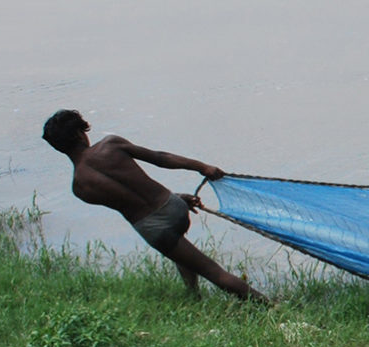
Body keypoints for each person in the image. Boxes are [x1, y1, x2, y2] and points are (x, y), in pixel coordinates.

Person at [40, 109, 262, 301]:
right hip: (173, 205)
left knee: (213, 273)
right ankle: (192, 295)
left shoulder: (80, 187)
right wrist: (201, 167)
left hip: (154, 226)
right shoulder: (111, 145)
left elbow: (127, 200)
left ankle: (271, 308)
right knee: (182, 252)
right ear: (81, 134)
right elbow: (160, 157)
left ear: (58, 147)